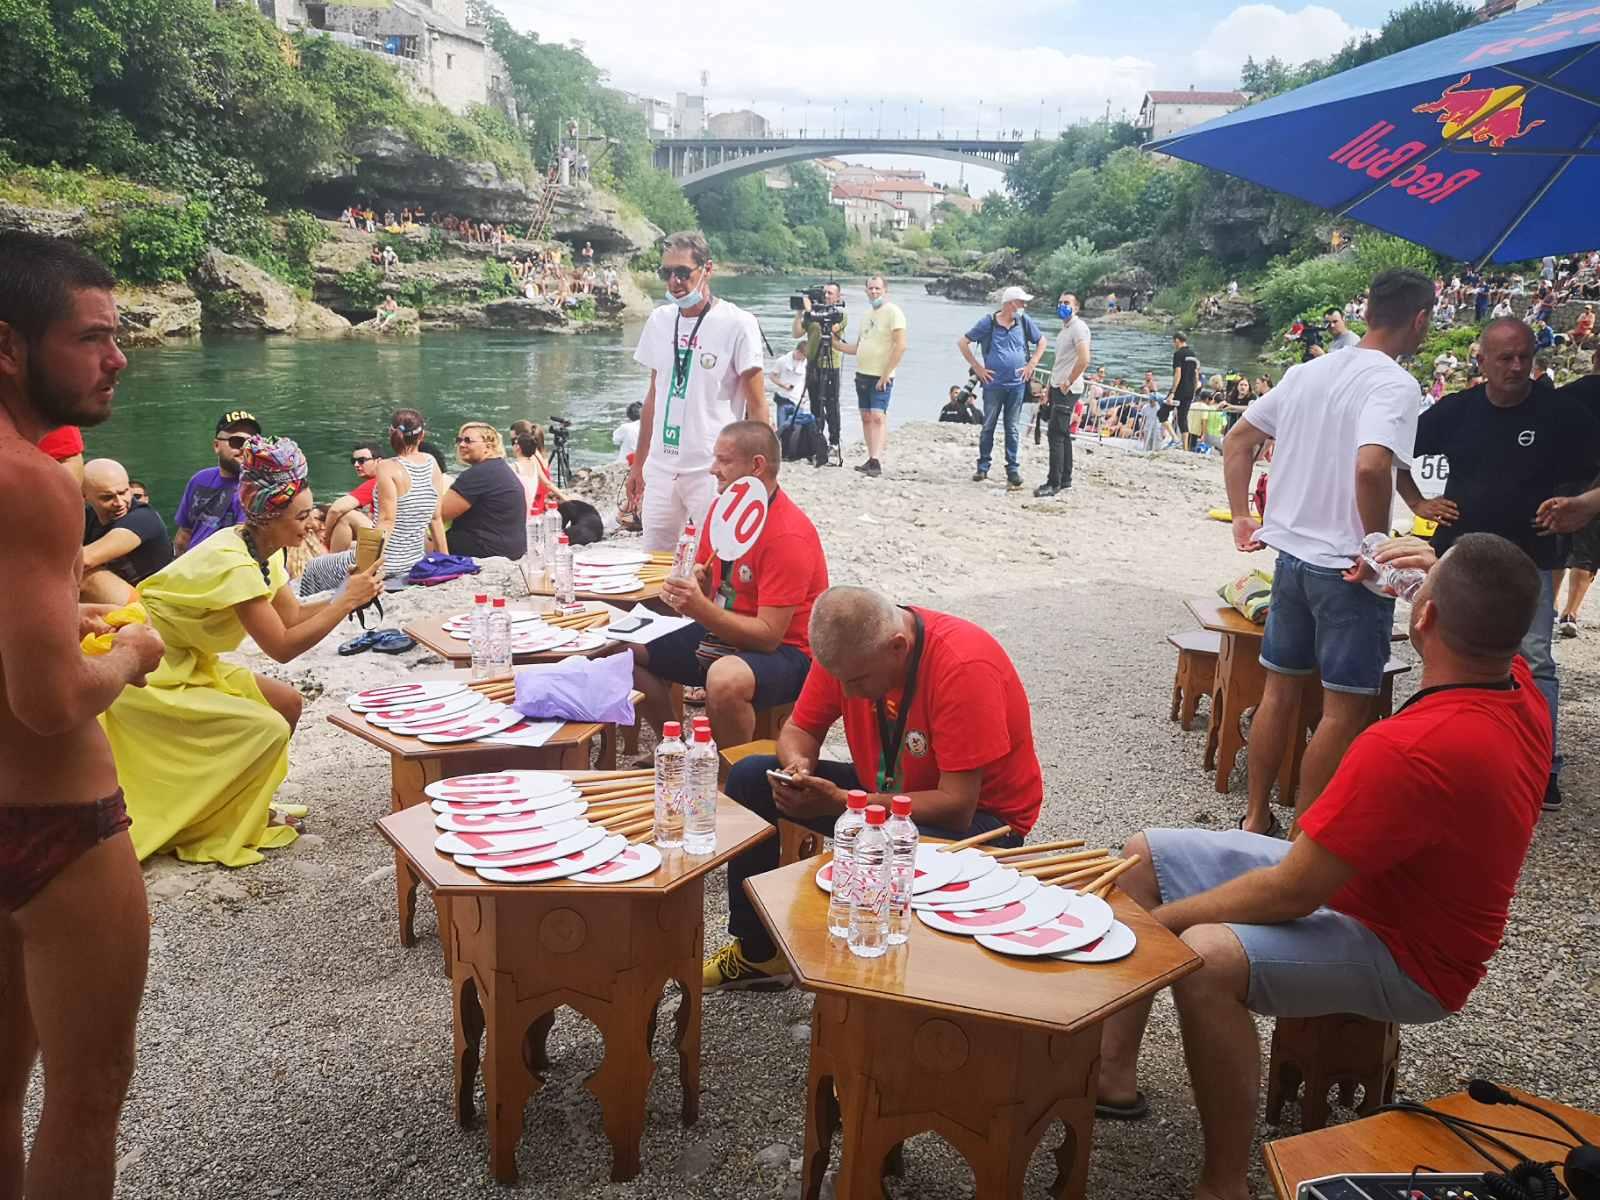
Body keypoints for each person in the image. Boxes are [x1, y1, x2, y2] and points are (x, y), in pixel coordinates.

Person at [1096, 534, 1550, 1200]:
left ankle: (1224, 1183)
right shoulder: (1522, 685)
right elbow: (1488, 596)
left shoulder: (1406, 748)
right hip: (1370, 886)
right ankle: (1112, 1079)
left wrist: (1157, 929)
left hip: (1416, 957)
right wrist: (1443, 576)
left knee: (1205, 957)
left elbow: (1291, 892)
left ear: (1422, 618)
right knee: (1143, 856)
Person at [0, 231, 168, 1200]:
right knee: (87, 1093)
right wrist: (135, 651)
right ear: (10, 348)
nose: (119, 357)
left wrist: (66, 618)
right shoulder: (30, 481)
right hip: (56, 830)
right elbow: (51, 699)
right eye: (93, 338)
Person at [703, 585, 1044, 991]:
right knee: (749, 779)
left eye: (858, 680)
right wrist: (798, 767)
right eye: (840, 680)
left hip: (983, 824)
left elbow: (957, 805)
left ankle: (897, 976)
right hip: (883, 791)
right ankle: (759, 953)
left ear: (898, 647)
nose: (847, 693)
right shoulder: (850, 654)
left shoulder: (962, 666)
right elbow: (800, 728)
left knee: (883, 845)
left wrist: (844, 802)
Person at [1222, 268, 1434, 836]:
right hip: (1348, 567)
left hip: (1289, 559)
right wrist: (1376, 545)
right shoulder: (1394, 384)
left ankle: (1255, 815)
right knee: (1343, 710)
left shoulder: (1306, 371)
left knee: (1279, 692)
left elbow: (1238, 439)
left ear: (1367, 313)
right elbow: (1371, 465)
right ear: (1420, 320)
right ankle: (1304, 837)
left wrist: (1244, 513)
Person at [103, 438, 383, 866]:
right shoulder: (234, 560)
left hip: (190, 662)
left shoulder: (263, 549)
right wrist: (344, 601)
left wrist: (346, 594)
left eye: (310, 513)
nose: (311, 525)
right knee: (266, 727)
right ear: (269, 517)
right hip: (153, 671)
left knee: (287, 703)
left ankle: (248, 807)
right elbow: (283, 647)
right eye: (302, 516)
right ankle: (220, 820)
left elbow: (290, 616)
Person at [1399, 317, 1600, 813]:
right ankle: (1451, 755)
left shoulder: (1562, 412)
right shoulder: (1456, 411)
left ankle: (1540, 768)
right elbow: (1394, 454)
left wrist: (1587, 504)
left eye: (1525, 357)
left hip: (1531, 557)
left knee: (1534, 660)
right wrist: (1418, 503)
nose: (1516, 367)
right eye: (1506, 358)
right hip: (1459, 556)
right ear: (1482, 361)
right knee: (1444, 648)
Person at [632, 422, 827, 748]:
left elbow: (768, 637)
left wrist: (700, 607)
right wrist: (697, 584)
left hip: (789, 652)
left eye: (724, 461)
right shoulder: (724, 511)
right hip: (725, 633)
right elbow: (712, 591)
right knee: (625, 650)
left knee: (724, 680)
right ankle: (674, 744)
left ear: (757, 466)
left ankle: (725, 779)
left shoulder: (787, 534)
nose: (713, 470)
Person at [627, 231, 767, 552]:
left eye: (682, 272)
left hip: (713, 469)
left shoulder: (738, 323)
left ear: (707, 269)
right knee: (654, 563)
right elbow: (654, 395)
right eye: (667, 273)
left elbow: (758, 405)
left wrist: (762, 473)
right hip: (661, 468)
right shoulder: (660, 320)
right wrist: (639, 464)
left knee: (715, 560)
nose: (674, 281)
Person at [960, 286, 1046, 490]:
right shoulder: (988, 322)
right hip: (993, 384)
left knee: (1012, 427)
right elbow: (963, 342)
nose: (1024, 306)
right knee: (988, 424)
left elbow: (1042, 342)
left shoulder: (1024, 322)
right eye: (1021, 302)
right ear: (1010, 304)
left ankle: (1013, 469)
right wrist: (978, 367)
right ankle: (983, 466)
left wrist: (1032, 364)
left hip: (1016, 385)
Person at [831, 275, 907, 477]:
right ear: (866, 291)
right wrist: (834, 342)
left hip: (881, 374)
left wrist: (887, 373)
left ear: (885, 290)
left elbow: (901, 345)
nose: (874, 292)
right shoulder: (866, 315)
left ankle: (876, 460)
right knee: (866, 417)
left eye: (877, 289)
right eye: (871, 289)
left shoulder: (893, 312)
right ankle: (870, 457)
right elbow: (859, 347)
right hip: (862, 373)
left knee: (877, 416)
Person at [81, 458, 173, 604]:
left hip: (153, 605)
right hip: (123, 601)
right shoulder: (87, 518)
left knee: (86, 576)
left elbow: (85, 560)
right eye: (107, 497)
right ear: (84, 496)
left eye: (123, 492)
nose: (119, 503)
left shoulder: (143, 518)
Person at [1556, 346, 1600, 638]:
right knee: (1587, 552)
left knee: (1556, 547)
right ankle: (1570, 613)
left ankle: (1547, 606)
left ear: (1595, 359)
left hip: (1562, 477)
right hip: (1596, 484)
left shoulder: (1567, 394)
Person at [173, 410, 260, 555]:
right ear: (216, 445)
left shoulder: (258, 489)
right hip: (189, 566)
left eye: (252, 443)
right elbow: (184, 534)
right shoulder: (199, 480)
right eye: (236, 442)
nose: (245, 448)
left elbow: (242, 547)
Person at [441, 422, 528, 560]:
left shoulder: (479, 474)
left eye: (468, 440)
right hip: (512, 547)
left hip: (487, 549)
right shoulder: (499, 468)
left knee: (427, 537)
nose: (462, 445)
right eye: (459, 440)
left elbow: (439, 514)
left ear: (489, 446)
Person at [1036, 291, 1090, 497]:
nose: (1062, 306)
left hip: (1068, 388)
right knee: (1063, 433)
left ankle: (1054, 482)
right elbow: (1059, 362)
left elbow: (1084, 359)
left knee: (1056, 434)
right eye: (1060, 302)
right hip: (1059, 387)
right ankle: (1065, 478)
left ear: (1076, 307)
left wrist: (1068, 381)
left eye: (1067, 303)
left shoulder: (1079, 328)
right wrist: (1050, 387)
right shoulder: (1064, 330)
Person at [792, 282, 849, 463]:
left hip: (831, 365)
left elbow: (830, 329)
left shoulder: (839, 314)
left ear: (838, 296)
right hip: (814, 364)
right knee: (815, 403)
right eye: (825, 293)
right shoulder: (811, 315)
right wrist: (800, 313)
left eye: (831, 293)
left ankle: (834, 442)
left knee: (831, 404)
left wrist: (810, 313)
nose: (827, 296)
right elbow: (796, 333)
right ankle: (817, 441)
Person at [323, 441, 383, 554]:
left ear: (378, 461)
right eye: (353, 461)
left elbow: (336, 509)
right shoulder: (388, 479)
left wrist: (326, 537)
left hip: (389, 543)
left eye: (361, 461)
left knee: (346, 515)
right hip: (397, 539)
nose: (356, 465)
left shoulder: (377, 482)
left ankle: (331, 564)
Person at [508, 421, 567, 514]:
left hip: (534, 503)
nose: (512, 445)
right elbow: (548, 482)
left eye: (513, 440)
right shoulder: (540, 453)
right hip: (541, 500)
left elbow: (545, 483)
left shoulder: (531, 458)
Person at [1167, 333, 1200, 449]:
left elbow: (1178, 373)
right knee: (1183, 417)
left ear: (1177, 340)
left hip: (1179, 390)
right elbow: (1196, 373)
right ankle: (1185, 448)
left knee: (1162, 413)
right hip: (1190, 390)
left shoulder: (1178, 354)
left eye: (1173, 342)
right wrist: (1195, 389)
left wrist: (1172, 392)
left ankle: (1175, 439)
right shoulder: (1193, 354)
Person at [766, 342, 808, 426]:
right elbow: (772, 376)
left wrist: (806, 398)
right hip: (783, 399)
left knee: (797, 430)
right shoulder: (782, 360)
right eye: (801, 356)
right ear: (797, 351)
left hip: (798, 401)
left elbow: (807, 382)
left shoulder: (806, 364)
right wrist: (783, 385)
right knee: (782, 428)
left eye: (804, 358)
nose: (802, 359)